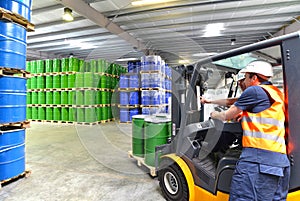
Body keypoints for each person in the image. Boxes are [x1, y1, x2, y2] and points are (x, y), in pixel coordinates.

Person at [210, 60, 290, 201]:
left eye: (246, 78)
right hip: (280, 161)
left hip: (258, 161)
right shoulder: (276, 93)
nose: (244, 82)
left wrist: (214, 115)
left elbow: (226, 115)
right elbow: (261, 115)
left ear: (254, 78)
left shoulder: (254, 90)